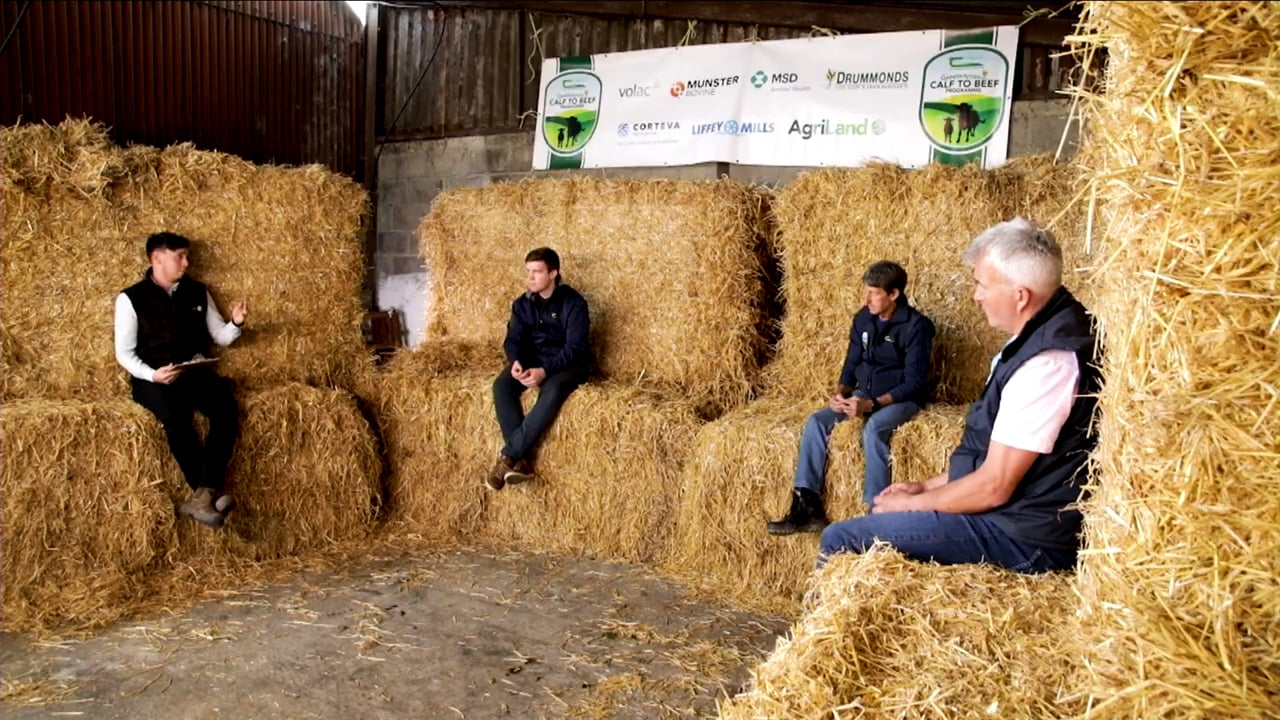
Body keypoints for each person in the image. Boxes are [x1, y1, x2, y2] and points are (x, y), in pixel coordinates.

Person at [818, 218, 1100, 574]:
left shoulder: (1048, 364)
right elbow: (990, 461)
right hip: (1014, 515)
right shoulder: (1042, 334)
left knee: (840, 538)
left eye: (981, 284)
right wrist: (923, 487)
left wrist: (910, 506)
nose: (976, 296)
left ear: (1020, 296)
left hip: (1026, 536)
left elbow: (994, 486)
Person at [767, 261, 936, 535]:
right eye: (866, 291)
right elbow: (852, 362)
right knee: (817, 421)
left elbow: (915, 383)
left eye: (874, 293)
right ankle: (806, 506)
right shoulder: (863, 319)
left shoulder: (917, 326)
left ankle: (876, 512)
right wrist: (840, 393)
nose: (866, 299)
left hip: (900, 399)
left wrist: (873, 404)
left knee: (874, 429)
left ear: (894, 294)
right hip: (863, 395)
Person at [114, 232, 248, 528]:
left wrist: (236, 323)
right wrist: (152, 375)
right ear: (157, 258)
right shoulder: (131, 298)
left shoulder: (198, 292)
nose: (186, 263)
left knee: (225, 408)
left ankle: (203, 495)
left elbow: (220, 336)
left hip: (193, 372)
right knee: (175, 416)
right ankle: (208, 494)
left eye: (187, 256)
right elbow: (123, 353)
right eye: (180, 256)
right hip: (154, 377)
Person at [487, 247, 592, 490]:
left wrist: (544, 370)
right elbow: (513, 340)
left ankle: (508, 457)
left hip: (568, 363)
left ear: (553, 273)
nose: (530, 277)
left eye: (537, 271)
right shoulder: (522, 304)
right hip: (533, 360)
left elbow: (576, 347)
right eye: (528, 271)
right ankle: (522, 462)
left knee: (552, 390)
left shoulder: (574, 303)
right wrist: (516, 362)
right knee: (502, 385)